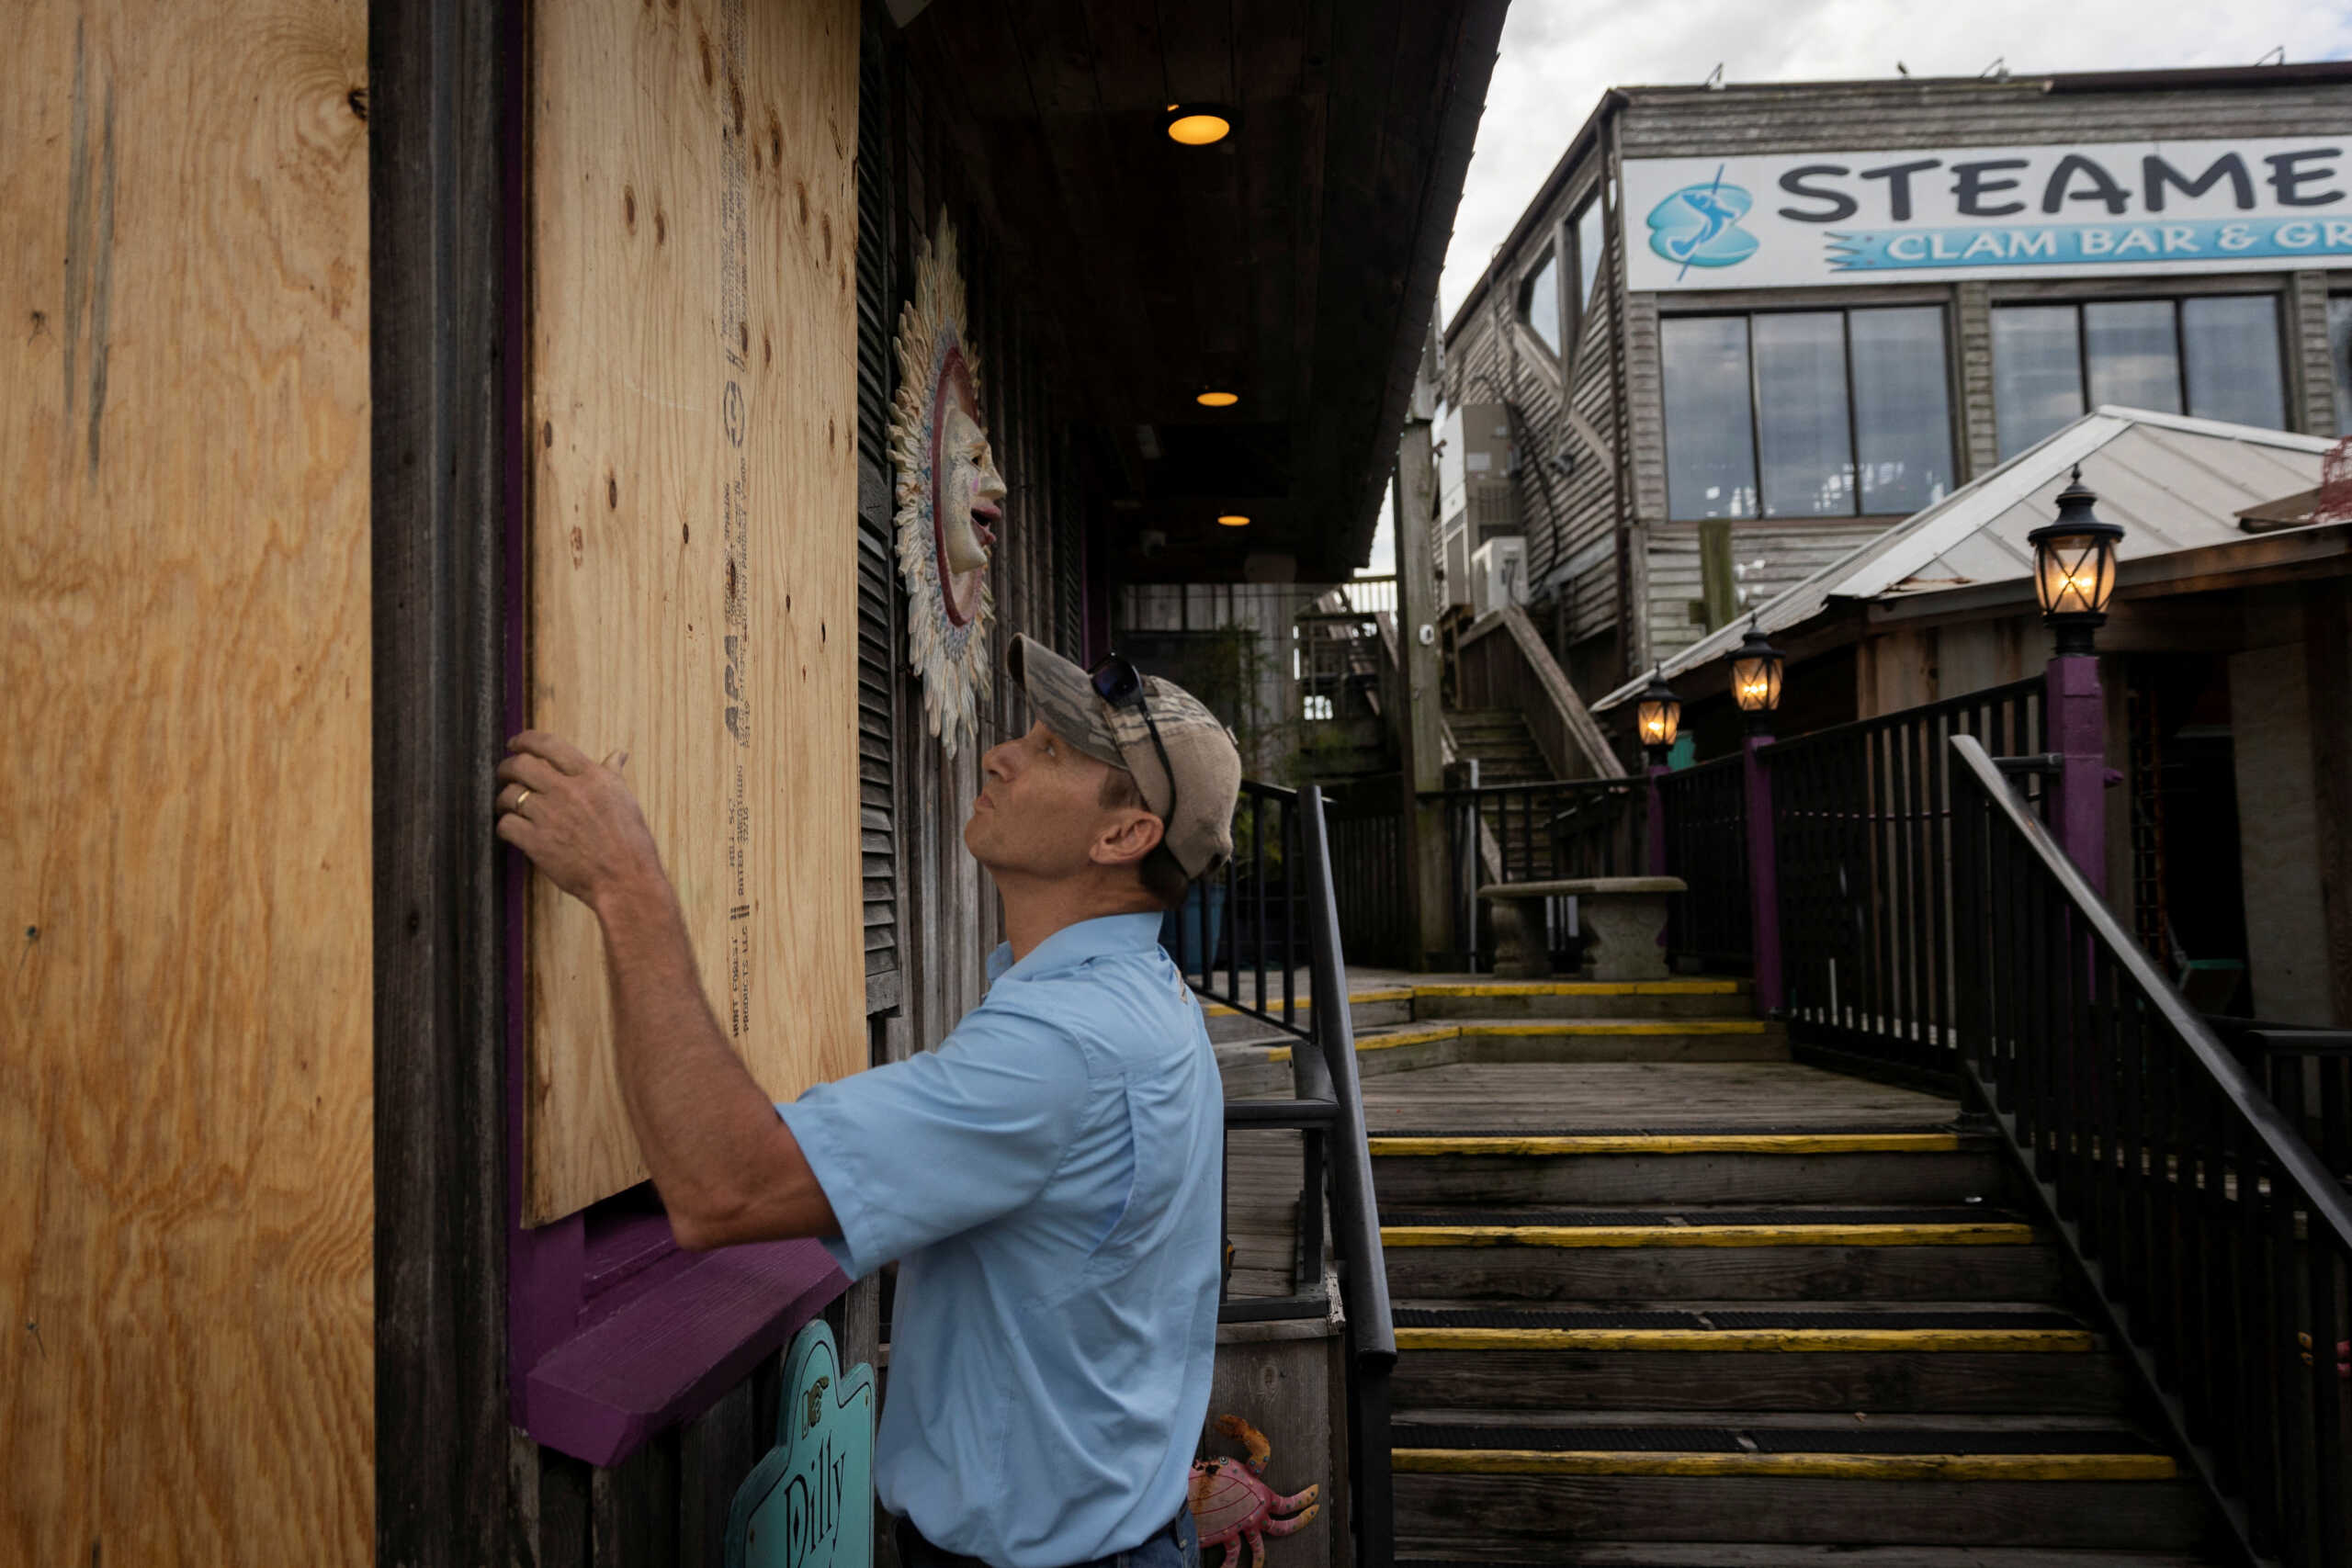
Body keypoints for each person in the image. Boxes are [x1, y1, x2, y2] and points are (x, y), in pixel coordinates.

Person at [494, 634, 1242, 1568]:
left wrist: (624, 881)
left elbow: (723, 1186)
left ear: (1122, 837)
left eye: (1050, 751)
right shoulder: (1147, 1002)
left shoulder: (1065, 1050)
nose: (1001, 754)